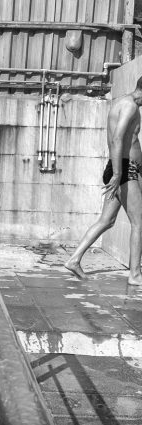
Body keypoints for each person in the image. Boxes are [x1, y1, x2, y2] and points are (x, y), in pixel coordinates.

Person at [65, 77, 142, 285]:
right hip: (124, 171)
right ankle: (135, 275)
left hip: (121, 169)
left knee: (106, 221)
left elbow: (130, 141)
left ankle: (74, 259)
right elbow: (117, 139)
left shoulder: (123, 102)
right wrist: (118, 175)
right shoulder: (130, 107)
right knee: (139, 222)